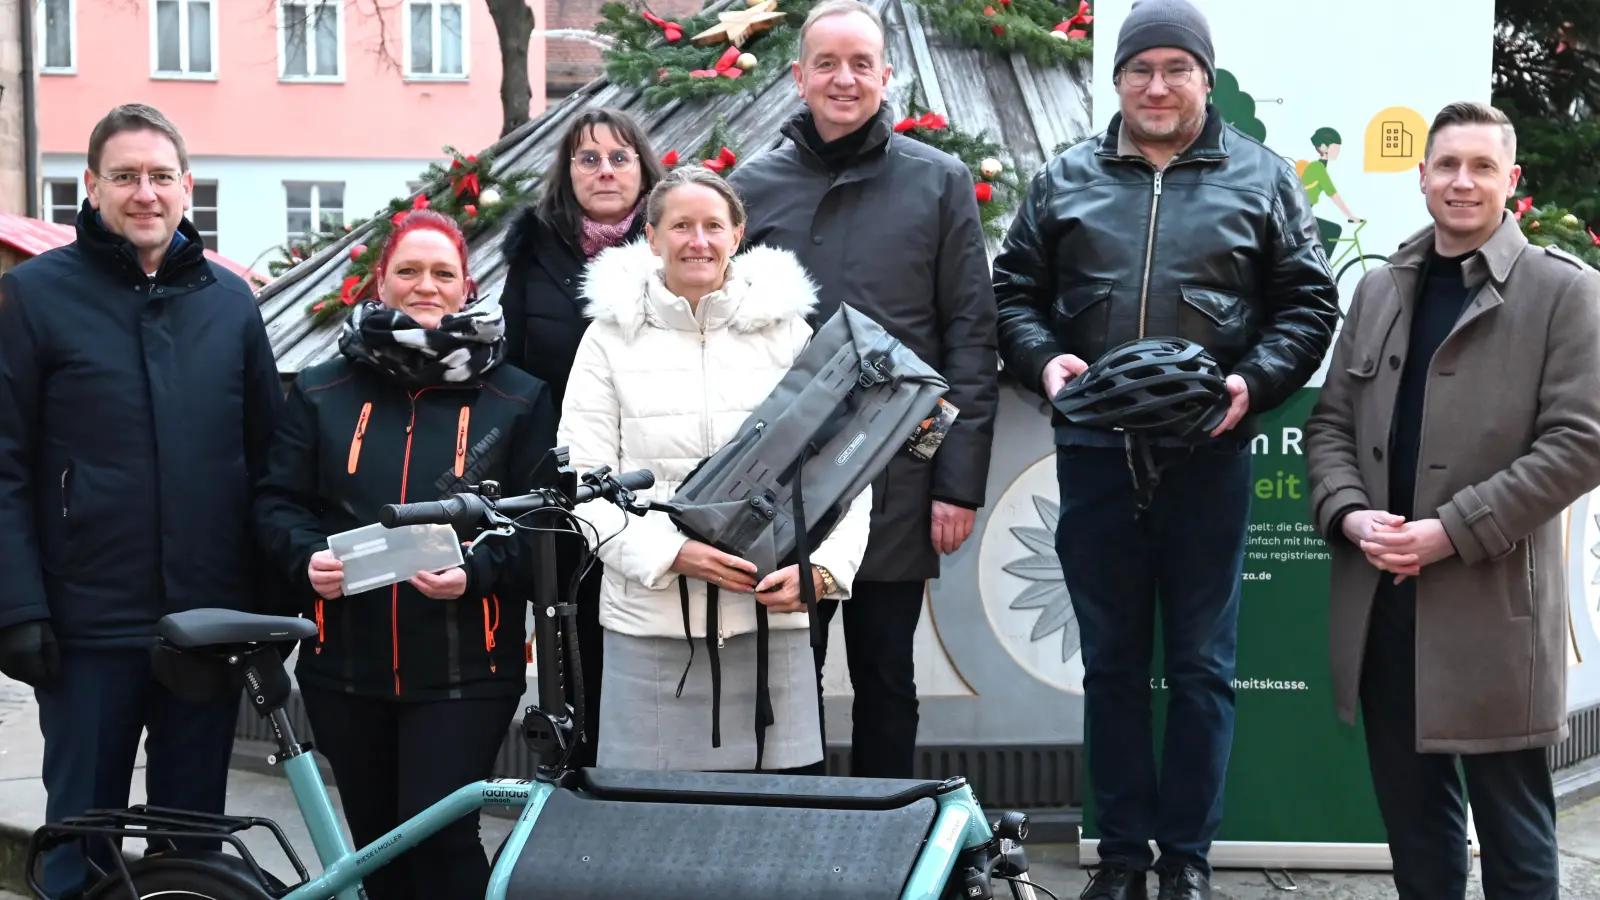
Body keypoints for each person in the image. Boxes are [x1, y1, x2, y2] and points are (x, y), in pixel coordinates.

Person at [990, 1, 1339, 896]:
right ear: (1117, 81)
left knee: (1200, 668)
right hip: (1096, 454)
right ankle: (1119, 859)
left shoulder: (1263, 179)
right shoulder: (1064, 178)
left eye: (1176, 68)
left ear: (1204, 77)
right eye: (1140, 69)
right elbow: (1013, 292)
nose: (1157, 85)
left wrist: (1249, 384)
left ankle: (1185, 861)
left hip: (1206, 454)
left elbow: (1307, 304)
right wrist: (1042, 362)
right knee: (1109, 665)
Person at [1304, 100, 1600, 900]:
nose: (1461, 182)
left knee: (1514, 835)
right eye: (1446, 165)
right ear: (1422, 176)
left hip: (1489, 603)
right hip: (1381, 601)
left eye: (1481, 166)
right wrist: (1348, 514)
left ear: (1512, 179)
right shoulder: (1376, 291)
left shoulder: (1564, 293)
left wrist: (1450, 532)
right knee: (1415, 831)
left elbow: (1582, 444)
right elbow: (1328, 426)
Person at [0, 103, 285, 897]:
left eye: (161, 176)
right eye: (124, 176)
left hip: (207, 618)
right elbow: (6, 465)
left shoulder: (230, 301)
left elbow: (269, 457)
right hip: (86, 621)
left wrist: (269, 602)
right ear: (90, 188)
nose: (144, 192)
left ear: (188, 187)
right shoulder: (33, 297)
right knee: (79, 836)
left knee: (194, 842)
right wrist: (16, 608)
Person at [726, 0, 998, 780]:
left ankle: (887, 836)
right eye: (826, 64)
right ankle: (799, 833)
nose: (844, 79)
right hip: (785, 481)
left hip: (901, 475)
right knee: (789, 674)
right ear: (798, 77)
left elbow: (970, 338)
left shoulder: (939, 183)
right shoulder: (753, 188)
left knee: (886, 672)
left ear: (887, 75)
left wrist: (957, 482)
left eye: (860, 64)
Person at [253, 209, 558, 900]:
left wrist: (477, 573)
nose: (426, 285)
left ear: (467, 286)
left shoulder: (517, 396)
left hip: (465, 667)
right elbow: (277, 502)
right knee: (377, 849)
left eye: (442, 272)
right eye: (409, 271)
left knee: (441, 839)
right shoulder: (325, 389)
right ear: (381, 284)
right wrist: (305, 559)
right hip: (345, 668)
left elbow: (545, 526)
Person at [558, 165, 873, 773]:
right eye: (680, 225)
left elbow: (847, 469)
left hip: (768, 626)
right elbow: (582, 486)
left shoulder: (787, 334)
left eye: (712, 225)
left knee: (772, 830)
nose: (697, 240)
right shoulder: (607, 339)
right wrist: (673, 554)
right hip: (650, 627)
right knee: (650, 832)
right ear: (652, 237)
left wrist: (825, 571)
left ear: (738, 234)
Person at [499, 107, 665, 767]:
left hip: (641, 481)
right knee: (564, 635)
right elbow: (511, 364)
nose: (603, 171)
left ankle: (634, 775)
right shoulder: (533, 248)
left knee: (633, 632)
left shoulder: (666, 246)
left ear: (643, 170)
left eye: (619, 157)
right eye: (587, 158)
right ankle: (567, 776)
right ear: (567, 171)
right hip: (554, 481)